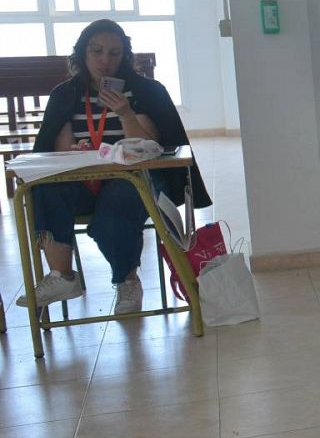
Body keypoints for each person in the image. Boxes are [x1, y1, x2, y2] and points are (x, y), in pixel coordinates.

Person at [18, 19, 209, 315]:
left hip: (133, 177)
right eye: (97, 51)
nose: (105, 60)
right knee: (43, 188)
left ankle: (127, 279)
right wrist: (74, 150)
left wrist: (124, 112)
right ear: (83, 53)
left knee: (119, 201)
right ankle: (62, 276)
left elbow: (150, 147)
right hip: (85, 177)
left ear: (125, 57)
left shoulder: (144, 91)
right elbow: (57, 149)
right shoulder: (66, 95)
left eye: (114, 53)